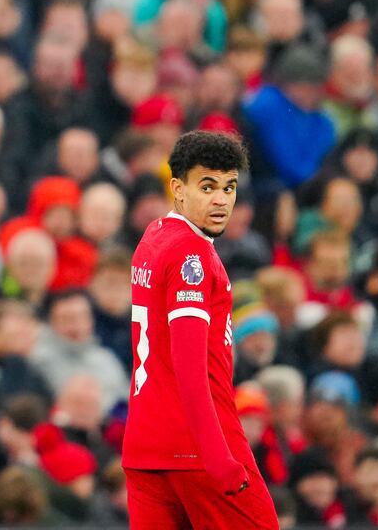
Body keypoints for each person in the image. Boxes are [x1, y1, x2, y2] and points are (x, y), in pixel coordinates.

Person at [122, 130, 279, 528]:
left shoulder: (155, 235)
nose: (221, 200)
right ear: (177, 188)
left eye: (229, 187)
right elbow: (188, 366)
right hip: (198, 446)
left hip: (144, 447)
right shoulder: (192, 255)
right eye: (207, 186)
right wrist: (217, 457)